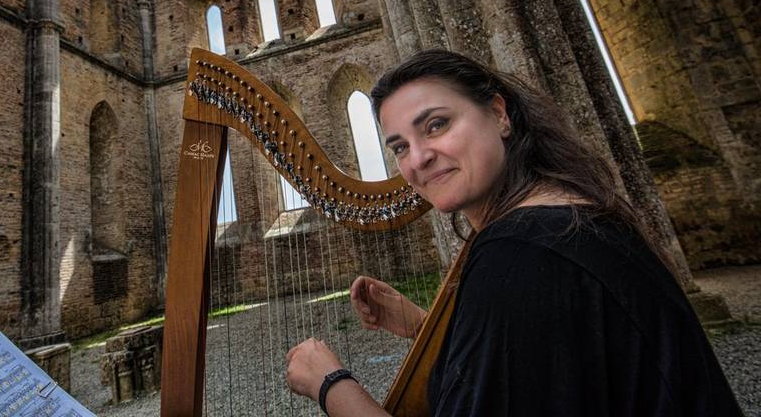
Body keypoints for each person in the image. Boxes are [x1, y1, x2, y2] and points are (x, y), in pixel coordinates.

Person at [284, 49, 742, 416]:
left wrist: (330, 384)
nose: (418, 158)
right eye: (401, 146)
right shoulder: (570, 218)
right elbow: (550, 361)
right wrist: (425, 327)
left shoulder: (520, 255)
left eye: (437, 125)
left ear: (500, 114)